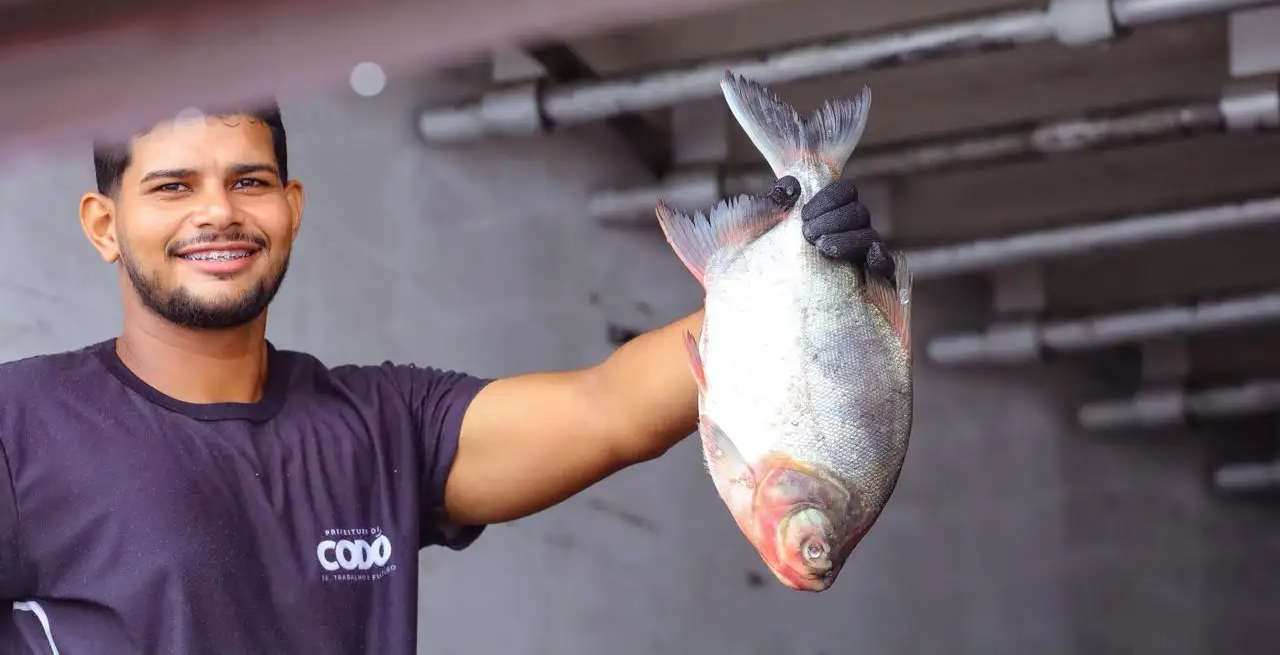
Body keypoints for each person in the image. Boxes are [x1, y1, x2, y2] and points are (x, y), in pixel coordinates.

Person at [0, 99, 897, 655]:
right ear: (102, 223)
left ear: (292, 206)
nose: (217, 213)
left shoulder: (387, 424)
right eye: (170, 188)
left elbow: (610, 410)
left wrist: (800, 282)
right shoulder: (20, 423)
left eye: (249, 180)